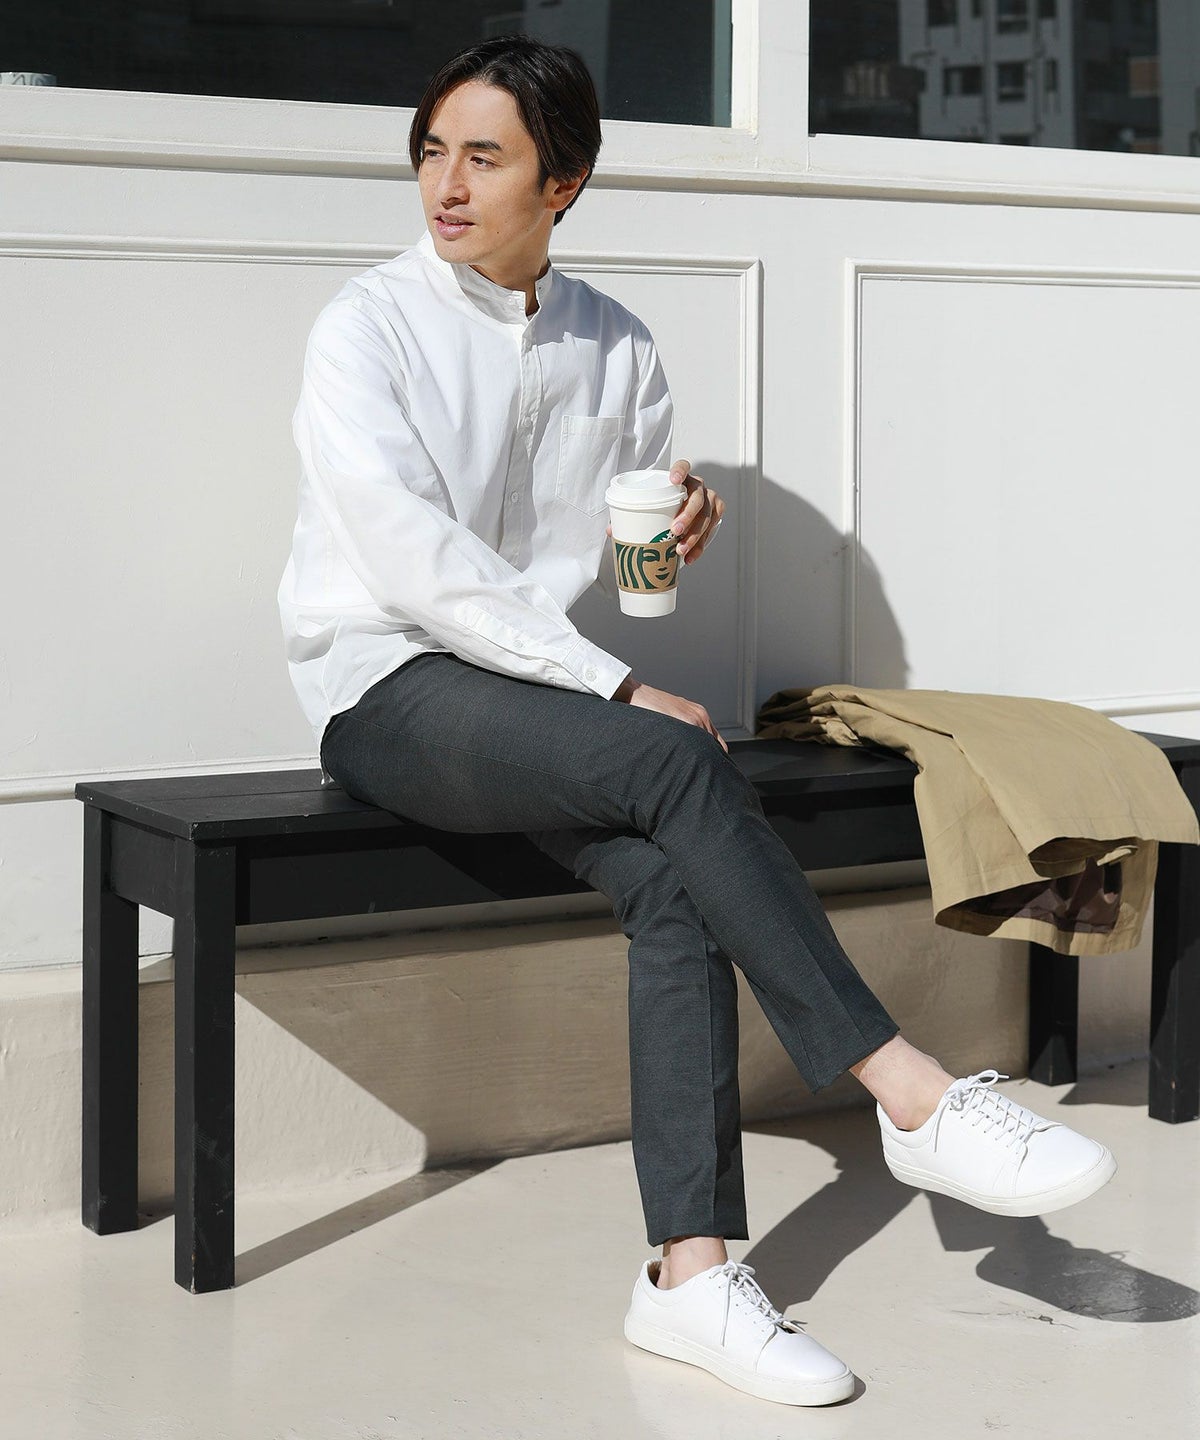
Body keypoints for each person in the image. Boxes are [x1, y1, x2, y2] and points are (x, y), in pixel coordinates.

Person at [277, 35, 1116, 1408]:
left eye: (483, 156)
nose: (445, 184)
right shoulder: (366, 326)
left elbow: (618, 591)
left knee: (671, 875)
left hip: (533, 698)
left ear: (564, 182)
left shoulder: (618, 344)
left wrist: (661, 550)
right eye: (432, 151)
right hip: (386, 689)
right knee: (676, 753)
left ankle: (690, 1277)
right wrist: (614, 687)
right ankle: (910, 1090)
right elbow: (411, 566)